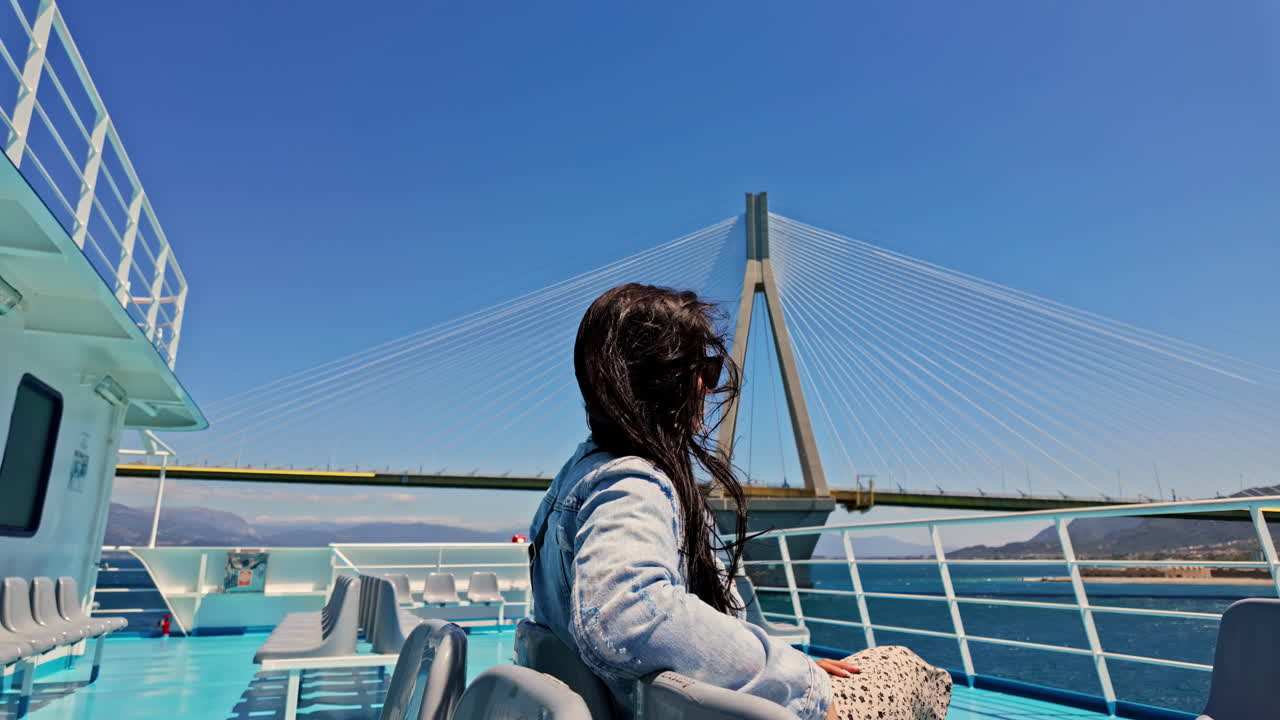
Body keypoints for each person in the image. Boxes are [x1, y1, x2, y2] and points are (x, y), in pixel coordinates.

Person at [528, 283, 951, 720]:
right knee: (912, 670)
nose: (711, 389)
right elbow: (628, 617)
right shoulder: (633, 481)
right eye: (706, 370)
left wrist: (783, 668)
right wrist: (802, 687)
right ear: (668, 380)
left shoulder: (575, 479)